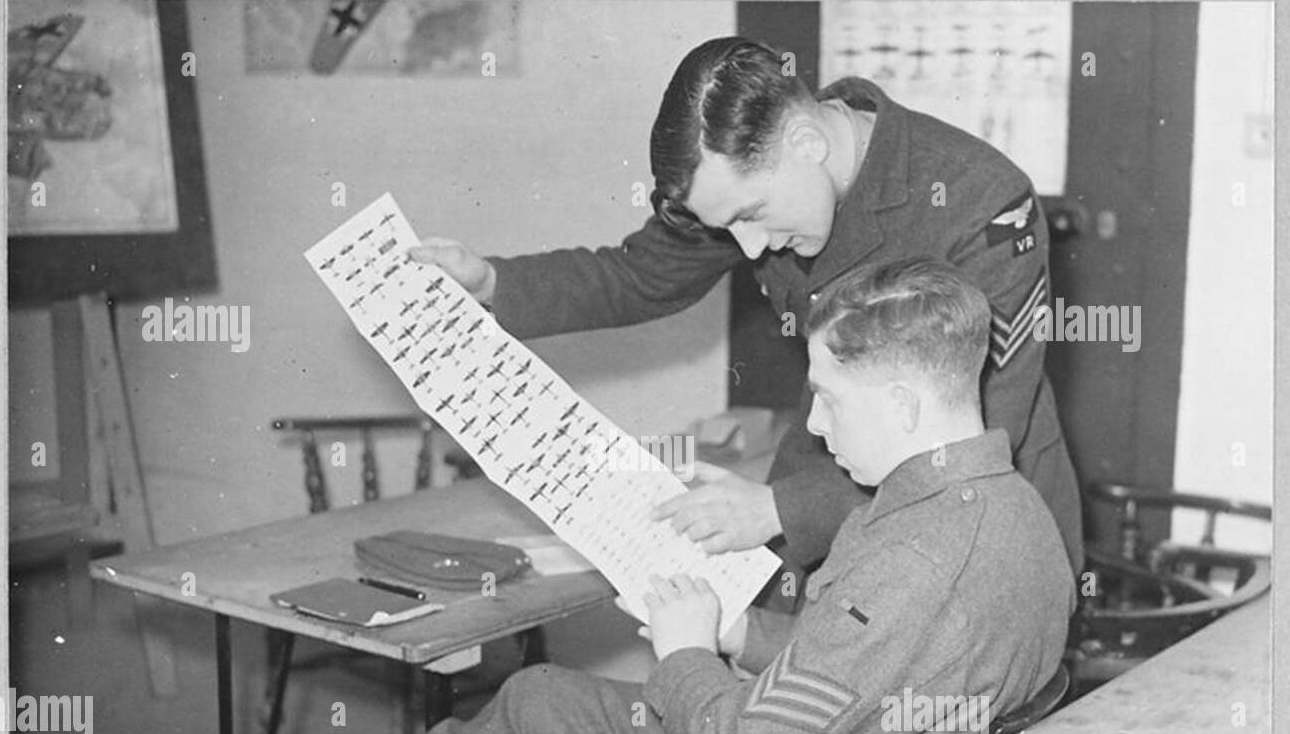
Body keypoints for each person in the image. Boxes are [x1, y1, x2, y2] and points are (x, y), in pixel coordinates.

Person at [196, 257, 1074, 734]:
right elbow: (866, 674)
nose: (811, 423)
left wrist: (687, 653)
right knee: (536, 700)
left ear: (908, 407)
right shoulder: (1009, 510)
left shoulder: (922, 559)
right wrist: (735, 634)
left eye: (829, 398)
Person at [407, 37, 1083, 580]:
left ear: (808, 143)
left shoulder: (979, 201)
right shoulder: (747, 184)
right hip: (829, 493)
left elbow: (979, 428)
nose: (749, 246)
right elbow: (642, 273)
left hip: (978, 532)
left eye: (753, 216)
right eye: (730, 226)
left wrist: (777, 507)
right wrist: (493, 283)